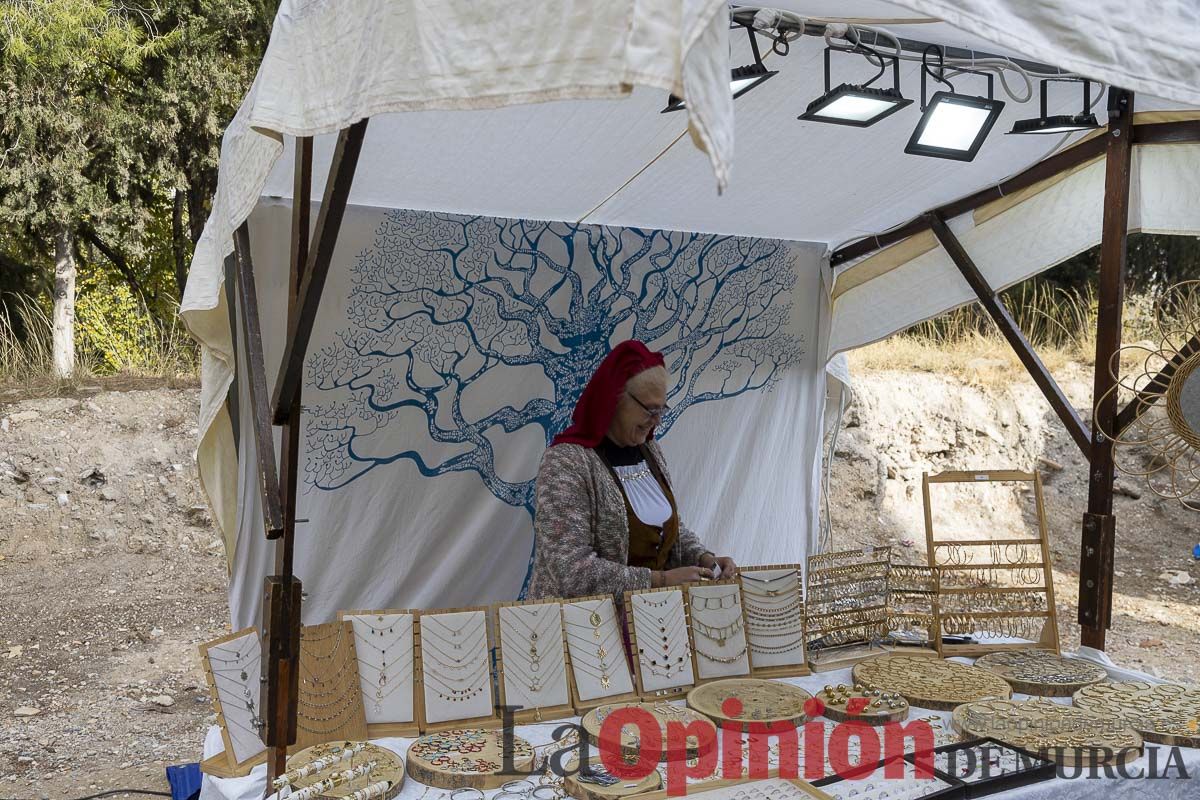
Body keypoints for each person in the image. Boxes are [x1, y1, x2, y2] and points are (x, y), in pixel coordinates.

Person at [527, 340, 737, 599]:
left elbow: (668, 528)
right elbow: (572, 570)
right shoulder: (566, 461)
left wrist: (704, 558)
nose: (657, 420)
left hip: (651, 620)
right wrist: (659, 580)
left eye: (662, 410)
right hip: (581, 628)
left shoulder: (650, 452)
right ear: (614, 399)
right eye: (650, 410)